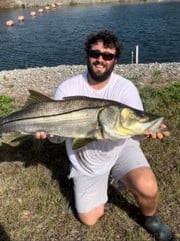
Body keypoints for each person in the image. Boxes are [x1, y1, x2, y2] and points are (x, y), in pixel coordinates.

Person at [35, 30, 176, 241]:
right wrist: (49, 135)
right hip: (86, 158)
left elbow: (134, 131)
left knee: (147, 186)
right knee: (90, 219)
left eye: (108, 56)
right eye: (95, 53)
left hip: (120, 147)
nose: (101, 59)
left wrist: (145, 130)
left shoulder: (126, 88)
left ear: (115, 60)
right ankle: (104, 179)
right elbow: (57, 138)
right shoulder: (68, 87)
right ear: (87, 55)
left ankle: (151, 219)